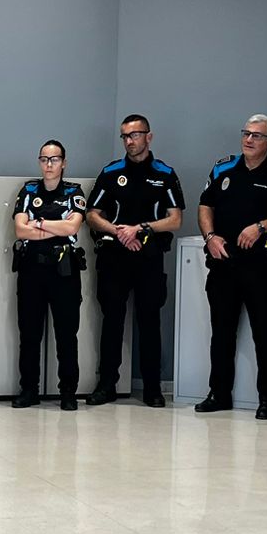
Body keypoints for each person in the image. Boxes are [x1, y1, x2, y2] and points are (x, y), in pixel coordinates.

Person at [195, 114, 267, 419]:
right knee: (221, 332)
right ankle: (218, 393)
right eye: (246, 133)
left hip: (260, 267)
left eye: (257, 135)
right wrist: (210, 237)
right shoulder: (223, 167)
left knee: (264, 333)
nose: (249, 139)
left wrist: (262, 226)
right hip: (223, 263)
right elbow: (205, 204)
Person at [84, 115, 184, 406]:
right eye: (125, 136)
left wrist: (140, 229)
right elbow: (92, 215)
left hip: (149, 258)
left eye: (135, 135)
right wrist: (120, 232)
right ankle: (106, 385)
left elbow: (175, 220)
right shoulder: (111, 172)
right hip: (114, 257)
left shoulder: (165, 174)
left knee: (149, 321)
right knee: (112, 321)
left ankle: (152, 388)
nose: (129, 141)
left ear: (148, 137)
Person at [11, 139, 87, 410]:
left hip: (63, 270)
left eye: (54, 159)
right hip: (32, 268)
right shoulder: (29, 190)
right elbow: (20, 230)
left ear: (64, 163)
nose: (49, 164)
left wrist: (40, 223)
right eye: (44, 159)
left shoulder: (73, 192)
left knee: (66, 334)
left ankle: (68, 392)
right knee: (29, 333)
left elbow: (72, 228)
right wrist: (56, 227)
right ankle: (29, 390)